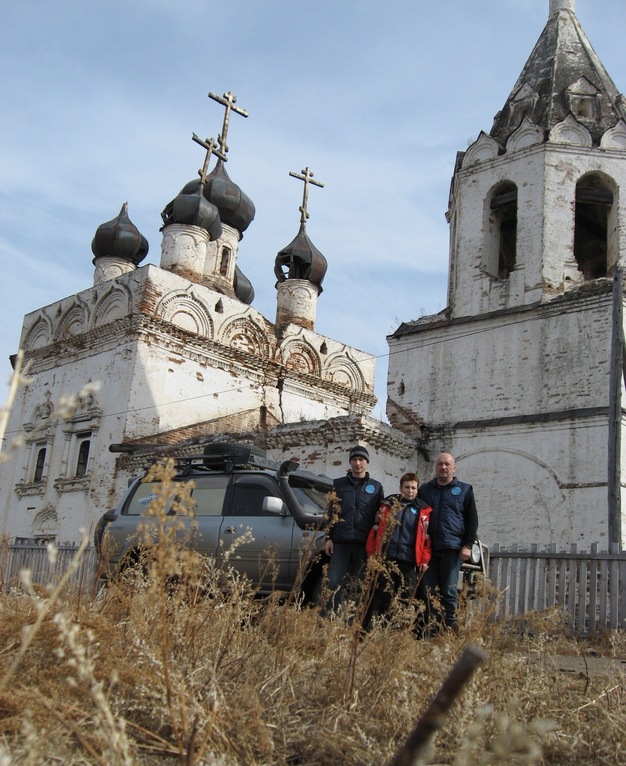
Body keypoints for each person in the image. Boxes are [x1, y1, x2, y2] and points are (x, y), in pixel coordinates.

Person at [417, 453, 478, 633]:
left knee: (449, 592)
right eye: (440, 464)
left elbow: (472, 519)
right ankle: (430, 631)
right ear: (435, 467)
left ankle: (450, 631)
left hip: (452, 548)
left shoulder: (464, 490)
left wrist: (467, 545)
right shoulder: (425, 490)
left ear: (454, 468)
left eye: (447, 464)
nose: (443, 467)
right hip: (429, 549)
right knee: (428, 591)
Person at [320, 445, 384, 616]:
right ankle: (328, 621)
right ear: (350, 462)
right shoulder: (338, 484)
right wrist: (328, 538)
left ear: (367, 462)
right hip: (341, 543)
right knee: (334, 583)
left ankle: (351, 624)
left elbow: (381, 515)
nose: (358, 463)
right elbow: (330, 513)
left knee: (358, 587)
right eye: (354, 460)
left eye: (361, 460)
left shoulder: (376, 487)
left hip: (364, 545)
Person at [365, 473, 432, 624]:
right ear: (401, 488)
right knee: (384, 595)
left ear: (417, 489)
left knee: (405, 597)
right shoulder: (388, 505)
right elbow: (375, 530)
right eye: (407, 487)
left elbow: (426, 539)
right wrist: (371, 553)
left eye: (413, 488)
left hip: (408, 560)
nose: (410, 491)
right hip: (387, 557)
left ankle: (399, 629)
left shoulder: (423, 511)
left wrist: (424, 560)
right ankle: (383, 628)